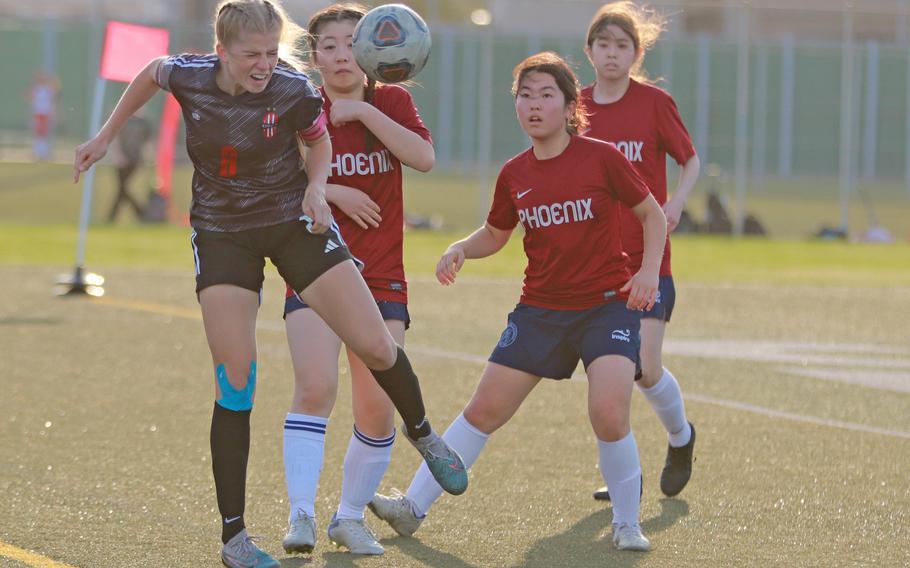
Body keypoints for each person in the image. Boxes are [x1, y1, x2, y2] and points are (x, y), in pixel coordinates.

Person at [72, 1, 465, 566]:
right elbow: (150, 73)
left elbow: (319, 139)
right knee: (236, 380)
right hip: (222, 234)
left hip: (291, 222)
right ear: (221, 52)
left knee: (378, 343)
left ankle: (425, 435)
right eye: (250, 54)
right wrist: (107, 134)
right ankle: (235, 540)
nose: (264, 64)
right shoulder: (188, 75)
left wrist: (315, 188)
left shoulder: (293, 88)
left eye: (271, 51)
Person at [369, 52, 667, 552]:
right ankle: (411, 508)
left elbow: (651, 215)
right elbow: (496, 232)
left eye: (546, 95)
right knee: (483, 409)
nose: (533, 105)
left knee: (609, 411)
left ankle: (626, 522)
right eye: (525, 96)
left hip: (605, 305)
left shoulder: (601, 157)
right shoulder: (514, 173)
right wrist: (461, 248)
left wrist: (648, 272)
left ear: (571, 105)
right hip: (540, 311)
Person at [278, 3, 436, 557]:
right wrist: (331, 191)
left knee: (377, 408)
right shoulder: (298, 101)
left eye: (352, 43)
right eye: (329, 45)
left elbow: (423, 157)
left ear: (371, 52)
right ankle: (300, 514)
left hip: (383, 277)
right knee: (315, 386)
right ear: (313, 54)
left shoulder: (391, 101)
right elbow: (278, 181)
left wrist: (363, 114)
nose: (341, 54)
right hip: (314, 269)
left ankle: (348, 518)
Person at [581, 1, 700, 502]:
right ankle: (622, 472)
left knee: (643, 367)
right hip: (596, 263)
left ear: (636, 52)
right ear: (589, 51)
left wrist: (674, 202)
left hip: (649, 259)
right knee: (613, 367)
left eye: (621, 45)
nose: (611, 53)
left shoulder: (654, 104)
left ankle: (681, 437)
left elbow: (689, 159)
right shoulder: (576, 105)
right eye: (603, 44)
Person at [107, 114, 152, 222]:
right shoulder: (122, 117)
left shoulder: (143, 121)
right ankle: (141, 213)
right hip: (121, 161)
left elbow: (148, 140)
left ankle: (112, 217)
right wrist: (118, 156)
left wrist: (149, 156)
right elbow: (115, 138)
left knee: (123, 188)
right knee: (122, 188)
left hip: (135, 159)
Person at [28, 71, 59, 161]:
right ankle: (38, 152)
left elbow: (54, 99)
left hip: (46, 114)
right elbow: (29, 96)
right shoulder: (37, 89)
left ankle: (44, 153)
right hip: (38, 114)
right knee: (38, 133)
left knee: (44, 134)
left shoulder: (48, 90)